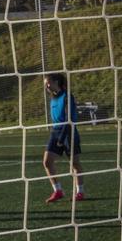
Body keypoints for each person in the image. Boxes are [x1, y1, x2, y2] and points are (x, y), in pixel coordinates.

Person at [42, 72, 86, 203]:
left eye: (48, 83)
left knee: (74, 163)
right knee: (47, 162)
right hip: (55, 132)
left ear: (56, 82)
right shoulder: (52, 98)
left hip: (68, 132)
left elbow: (69, 119)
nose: (46, 86)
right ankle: (58, 191)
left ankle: (80, 192)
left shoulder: (67, 96)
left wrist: (62, 138)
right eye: (45, 84)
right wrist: (57, 136)